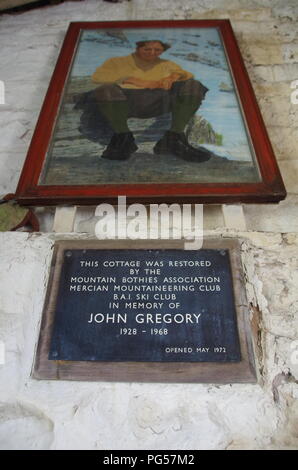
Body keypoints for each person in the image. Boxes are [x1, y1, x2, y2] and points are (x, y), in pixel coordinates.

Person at [88, 40, 211, 161]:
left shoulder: (166, 64)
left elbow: (185, 74)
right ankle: (123, 138)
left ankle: (173, 138)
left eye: (157, 50)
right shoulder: (118, 62)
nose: (152, 53)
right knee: (105, 90)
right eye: (147, 49)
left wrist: (172, 77)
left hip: (158, 101)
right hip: (126, 101)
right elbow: (98, 76)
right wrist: (132, 79)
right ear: (138, 48)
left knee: (193, 85)